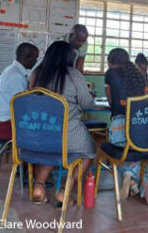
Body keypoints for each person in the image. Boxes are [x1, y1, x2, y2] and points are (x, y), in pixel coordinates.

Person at [29, 41, 95, 205]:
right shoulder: (73, 75)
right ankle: (65, 190)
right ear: (69, 57)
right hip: (69, 136)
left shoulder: (36, 74)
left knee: (51, 151)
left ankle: (38, 186)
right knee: (89, 152)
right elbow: (87, 105)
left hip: (39, 135)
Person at [105, 48, 148, 200]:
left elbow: (111, 101)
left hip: (118, 125)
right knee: (134, 148)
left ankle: (128, 177)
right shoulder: (139, 74)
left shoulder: (110, 74)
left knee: (120, 150)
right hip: (139, 126)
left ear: (111, 61)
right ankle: (131, 180)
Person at [0, 43, 39, 140]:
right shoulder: (17, 77)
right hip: (4, 125)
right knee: (42, 129)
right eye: (35, 58)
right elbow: (23, 106)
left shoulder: (12, 70)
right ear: (28, 58)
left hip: (2, 121)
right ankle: (25, 154)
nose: (36, 61)